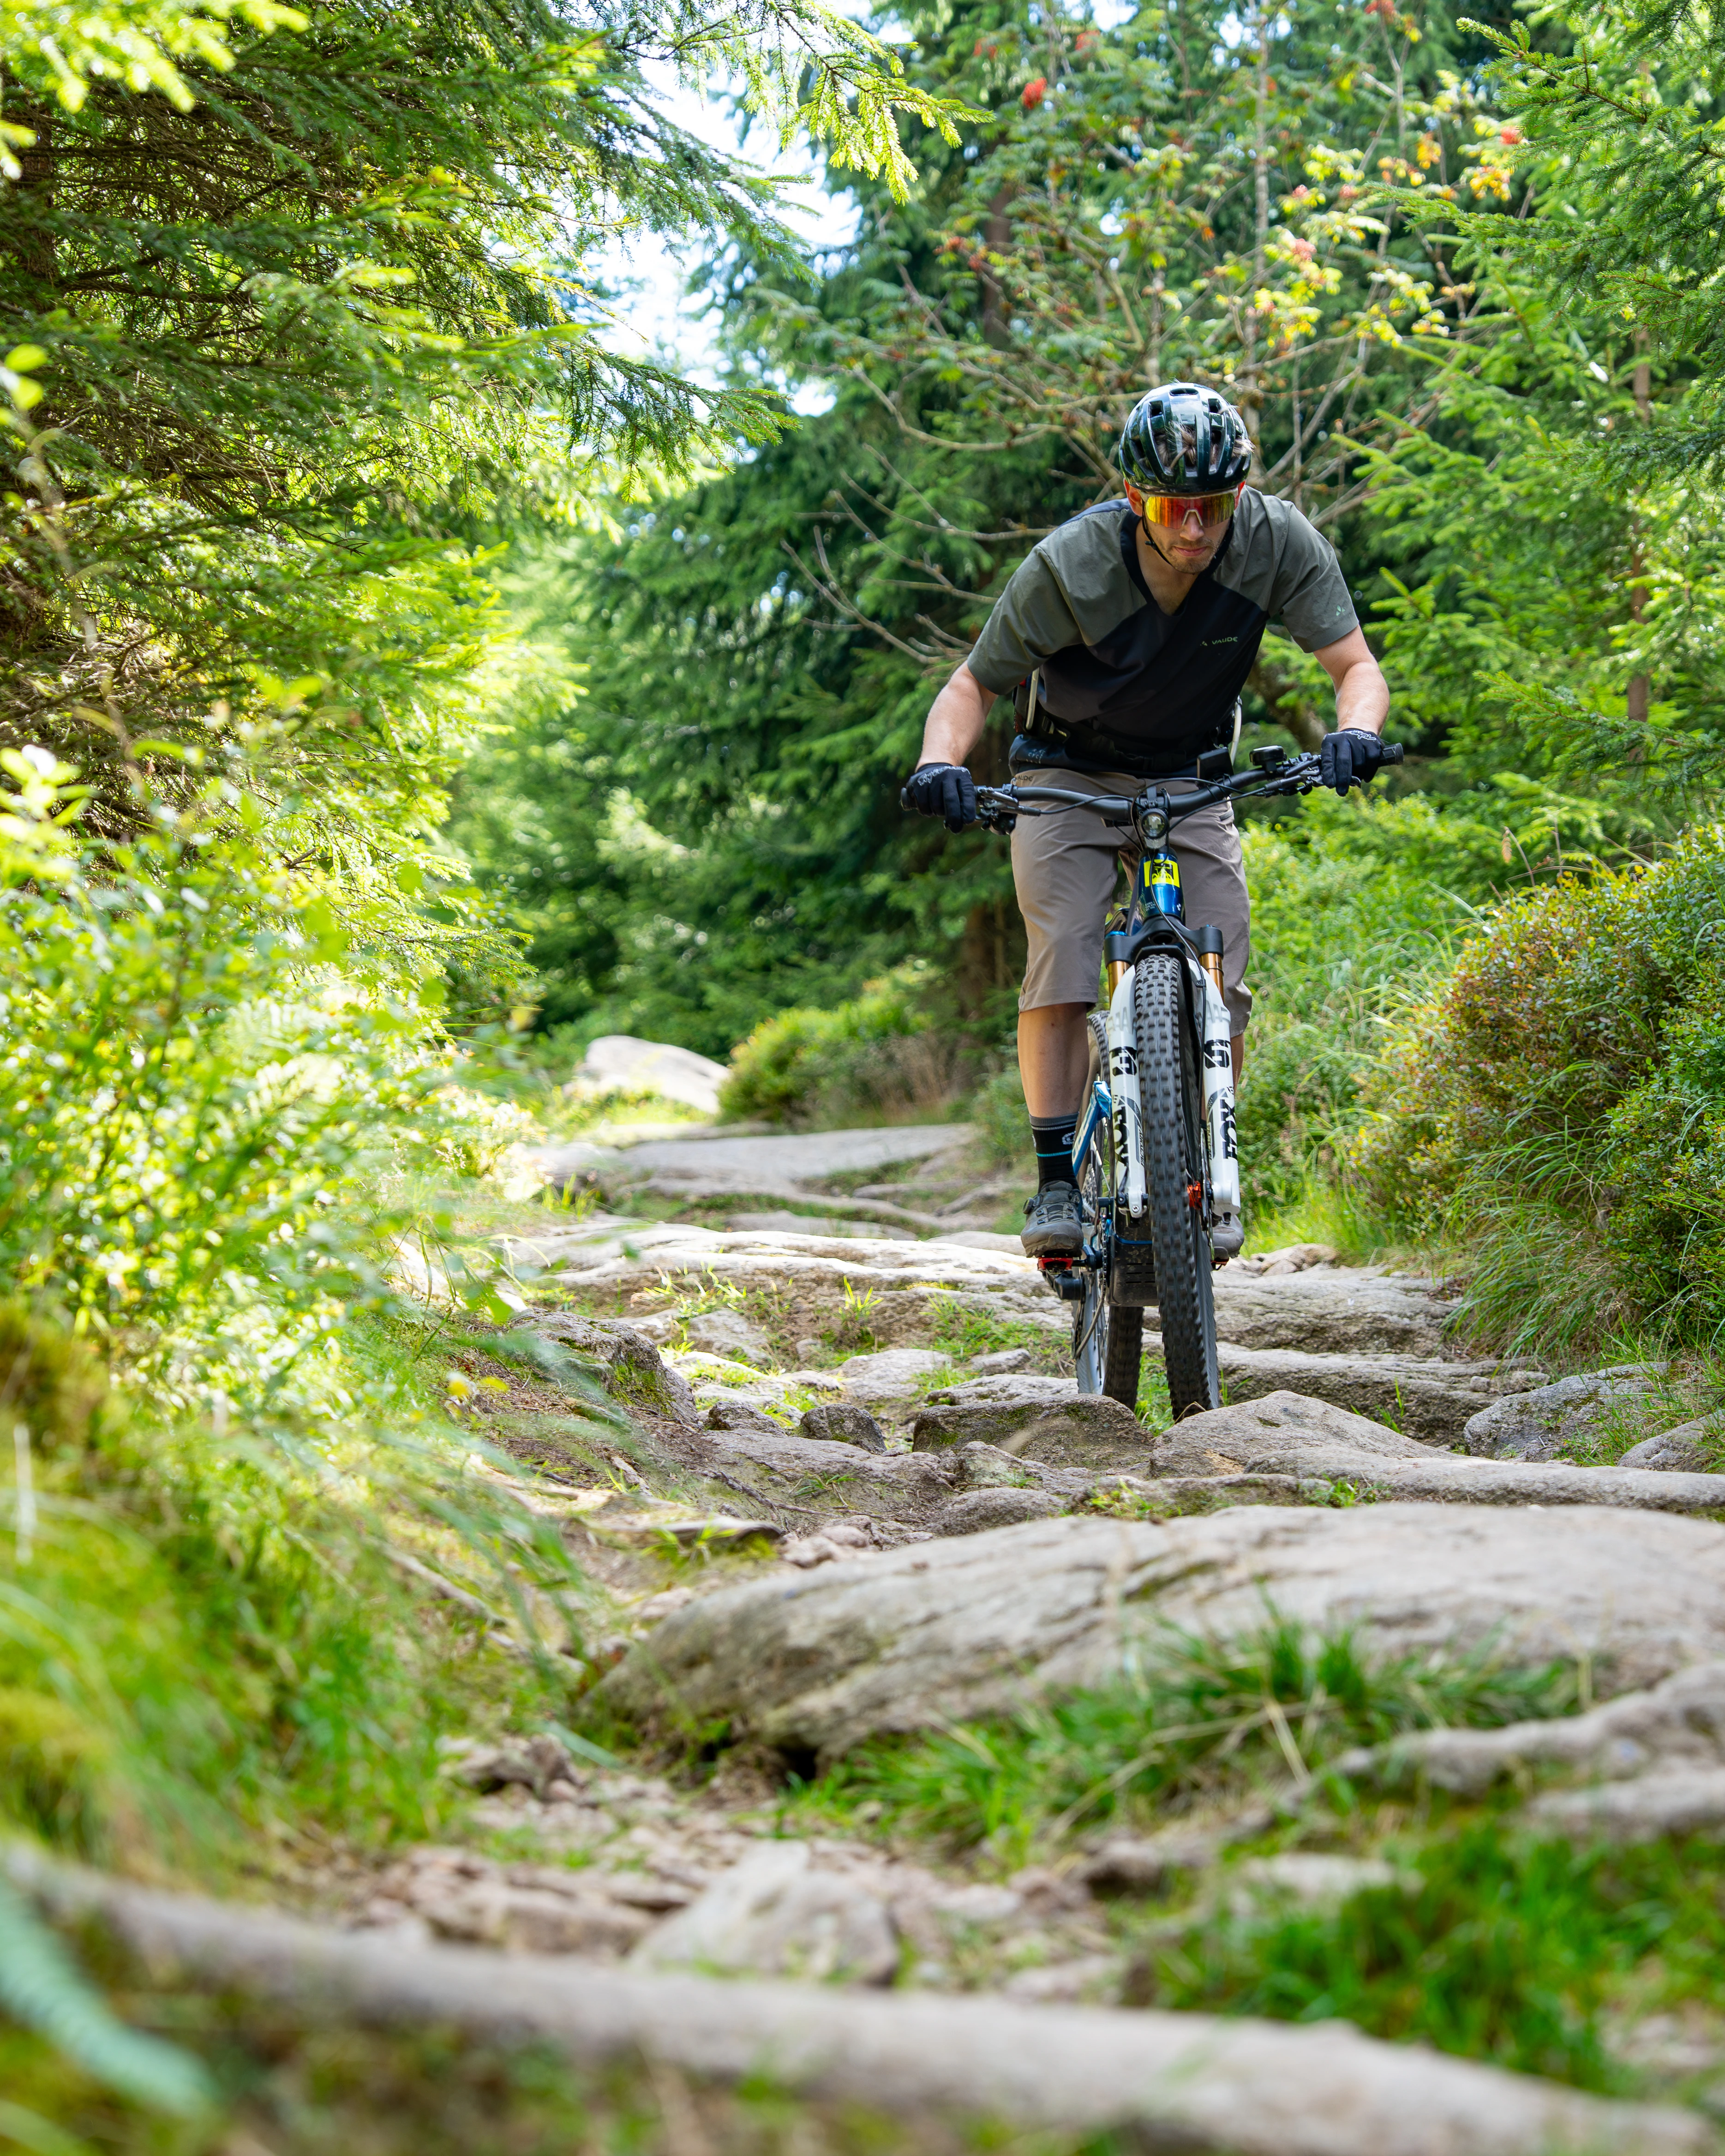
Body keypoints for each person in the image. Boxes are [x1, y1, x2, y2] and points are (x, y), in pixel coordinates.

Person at [901, 380, 1390, 1258]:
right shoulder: (1070, 566)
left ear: (1237, 494)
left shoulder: (1276, 542)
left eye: (1211, 507)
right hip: (1067, 772)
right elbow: (972, 684)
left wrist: (1357, 734)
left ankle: (1203, 1168)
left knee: (1223, 974)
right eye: (1173, 508)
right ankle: (1055, 1182)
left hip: (1191, 772)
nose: (1194, 529)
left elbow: (1355, 665)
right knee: (1061, 954)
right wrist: (940, 764)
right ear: (1134, 497)